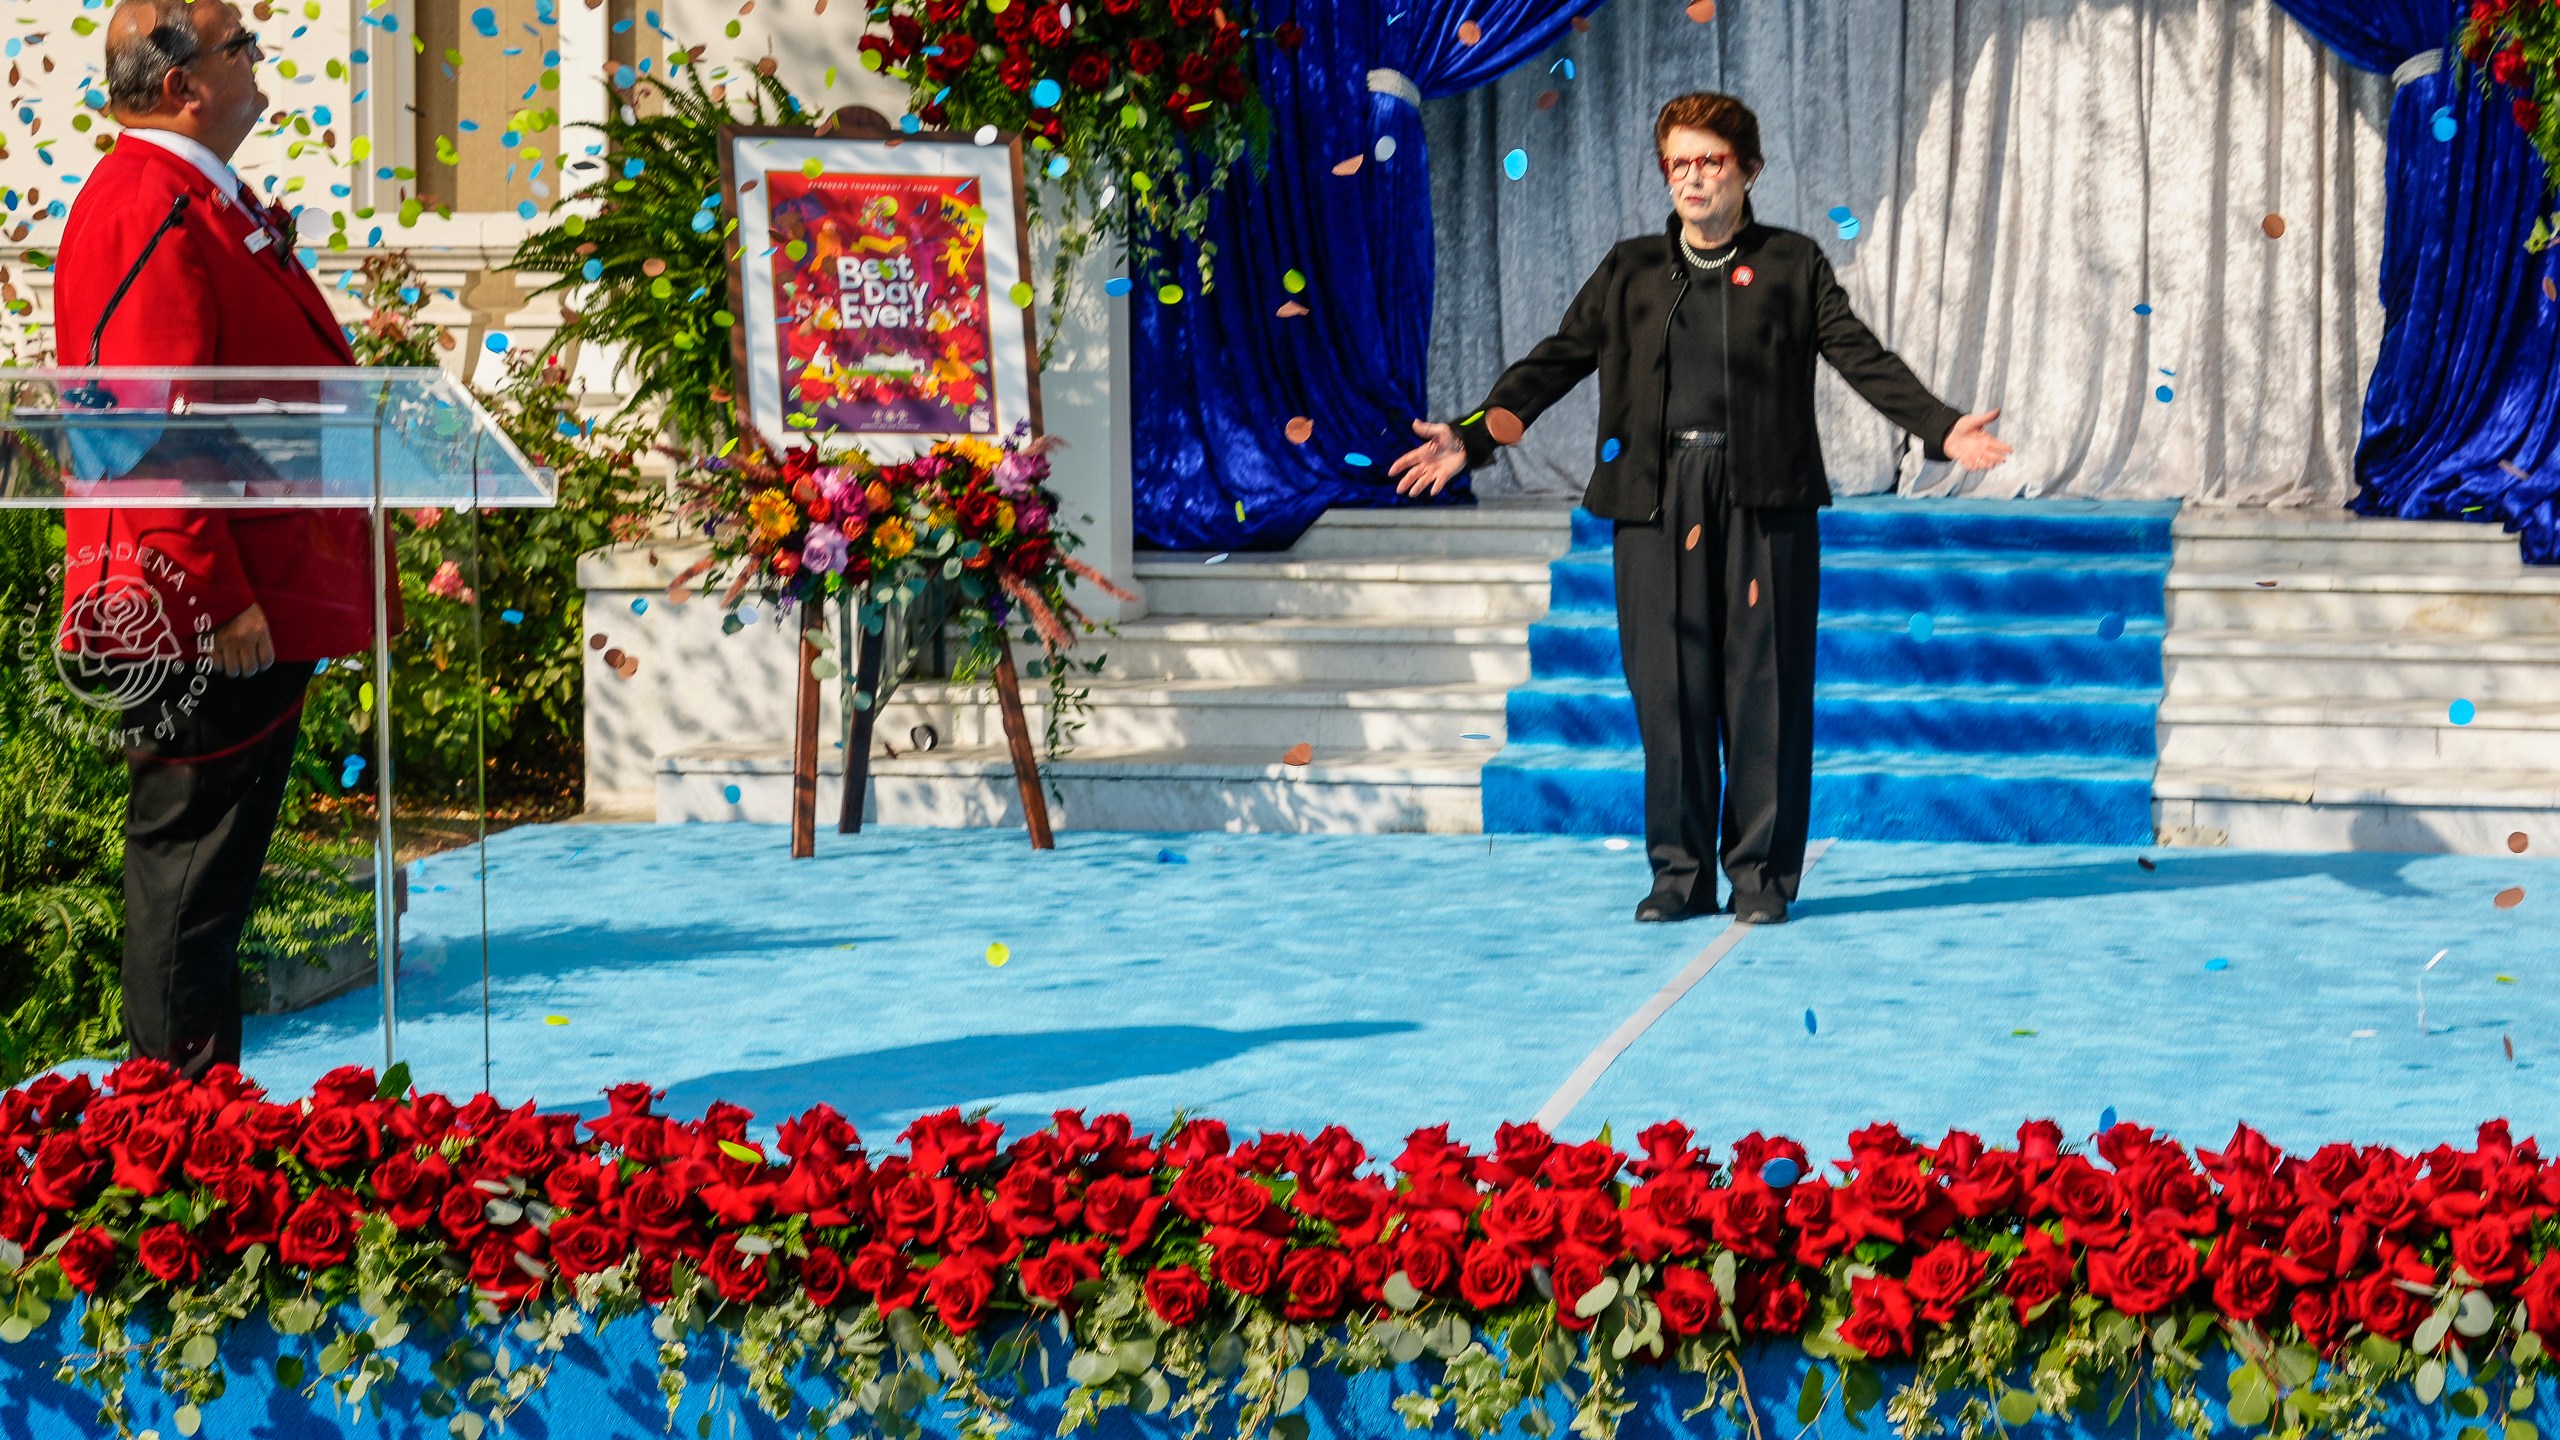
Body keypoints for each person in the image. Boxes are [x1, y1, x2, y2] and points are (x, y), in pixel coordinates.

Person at [1390, 92, 2010, 926]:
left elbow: (1862, 358)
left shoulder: (1792, 265)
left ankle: (1759, 878)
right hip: (1655, 497)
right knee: (1668, 692)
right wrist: (1472, 437)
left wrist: (1939, 428)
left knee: (1766, 688)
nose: (1692, 177)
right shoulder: (1630, 271)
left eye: (1710, 161)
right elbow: (1553, 364)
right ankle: (1678, 876)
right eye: (1678, 162)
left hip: (1765, 499)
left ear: (1748, 171)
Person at [55, 0, 396, 1077]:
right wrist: (210, 594)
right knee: (189, 882)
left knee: (213, 885)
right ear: (181, 87)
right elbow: (140, 427)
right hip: (202, 612)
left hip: (245, 597)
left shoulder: (192, 193)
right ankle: (170, 1128)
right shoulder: (144, 201)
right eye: (240, 45)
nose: (259, 60)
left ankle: (202, 1116)